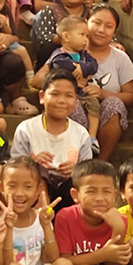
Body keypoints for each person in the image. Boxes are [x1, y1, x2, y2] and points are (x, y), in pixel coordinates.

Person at [0, 156, 75, 265]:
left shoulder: (41, 218)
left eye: (28, 186)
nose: (20, 193)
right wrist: (8, 229)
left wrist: (46, 225)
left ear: (38, 189)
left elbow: (53, 258)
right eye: (12, 186)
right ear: (1, 187)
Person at [54, 159, 131, 265]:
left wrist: (118, 229)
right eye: (91, 191)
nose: (100, 198)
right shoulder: (66, 216)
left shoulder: (119, 220)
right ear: (75, 195)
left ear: (115, 195)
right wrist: (101, 255)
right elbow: (63, 262)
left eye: (106, 191)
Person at [11, 69, 92, 210]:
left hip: (67, 190)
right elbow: (14, 167)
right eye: (55, 94)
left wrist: (76, 170)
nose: (61, 101)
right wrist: (33, 163)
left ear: (76, 100)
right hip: (33, 189)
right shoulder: (26, 129)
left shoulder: (81, 133)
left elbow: (87, 171)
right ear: (42, 96)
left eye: (69, 96)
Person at [81, 4, 133, 162]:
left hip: (107, 116)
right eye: (96, 23)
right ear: (86, 22)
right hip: (78, 112)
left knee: (114, 104)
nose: (101, 30)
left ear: (114, 31)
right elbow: (39, 79)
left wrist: (103, 94)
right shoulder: (71, 52)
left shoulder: (120, 58)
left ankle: (101, 163)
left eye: (108, 26)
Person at [46, 16, 100, 146]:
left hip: (83, 93)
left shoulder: (85, 55)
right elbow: (64, 66)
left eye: (87, 36)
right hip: (67, 96)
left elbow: (94, 66)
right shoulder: (59, 55)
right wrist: (81, 67)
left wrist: (82, 67)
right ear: (66, 36)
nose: (85, 40)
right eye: (82, 35)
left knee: (94, 104)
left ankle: (92, 137)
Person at [31, 0, 91, 68]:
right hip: (58, 60)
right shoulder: (50, 10)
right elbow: (43, 38)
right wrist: (70, 40)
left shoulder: (94, 12)